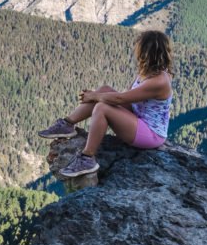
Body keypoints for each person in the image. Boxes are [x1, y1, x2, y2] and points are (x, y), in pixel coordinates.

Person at [38, 30, 173, 177]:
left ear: (145, 52)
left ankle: (87, 158)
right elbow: (125, 96)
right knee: (105, 90)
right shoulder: (146, 72)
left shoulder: (159, 81)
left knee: (102, 107)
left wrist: (95, 97)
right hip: (138, 117)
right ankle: (67, 124)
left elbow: (120, 100)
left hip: (151, 133)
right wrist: (98, 95)